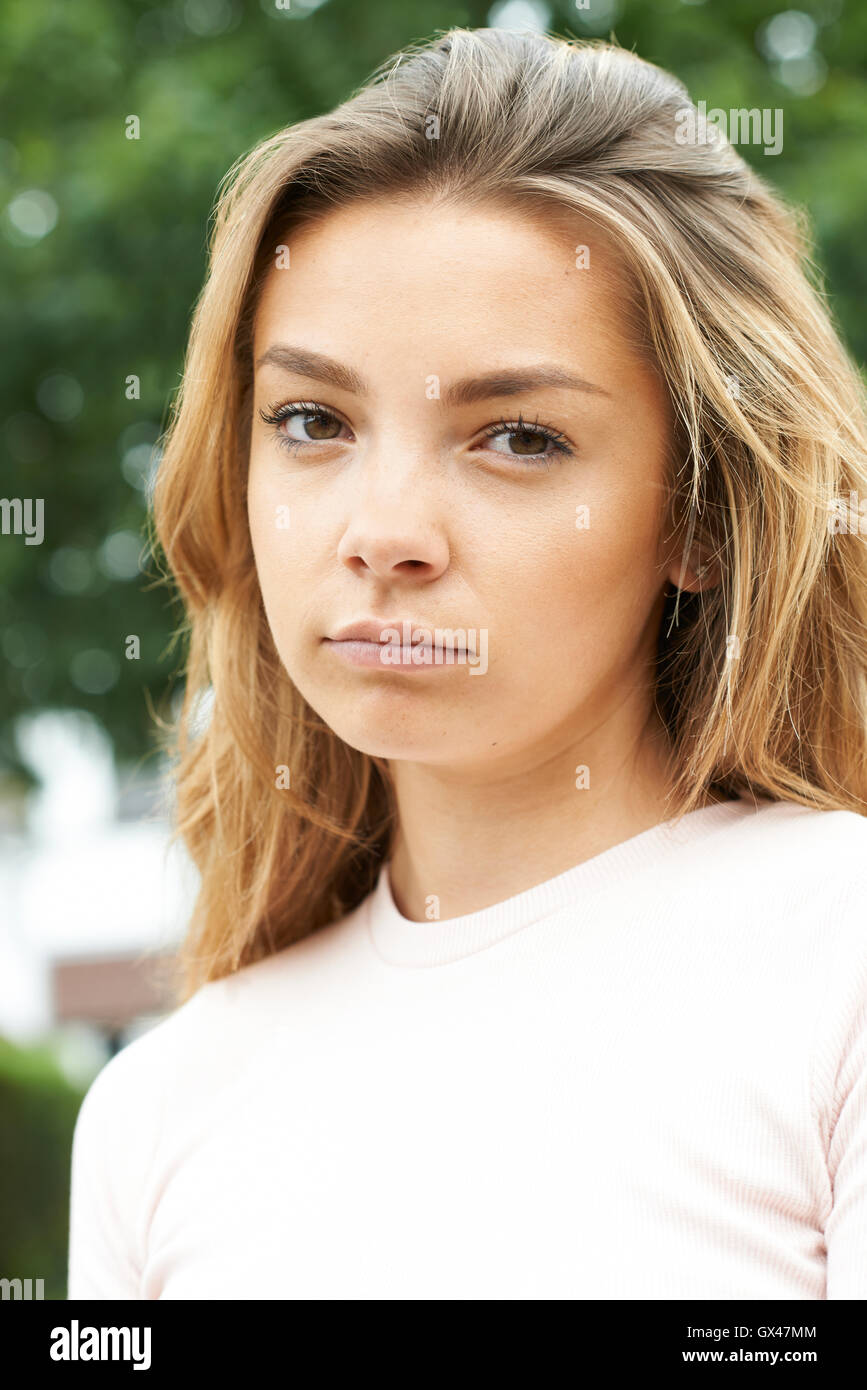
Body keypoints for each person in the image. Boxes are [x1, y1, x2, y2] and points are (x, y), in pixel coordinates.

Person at [67, 27, 867, 1299]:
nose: (383, 534)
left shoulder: (839, 960)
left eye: (517, 437)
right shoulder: (158, 1111)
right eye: (312, 421)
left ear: (702, 519)